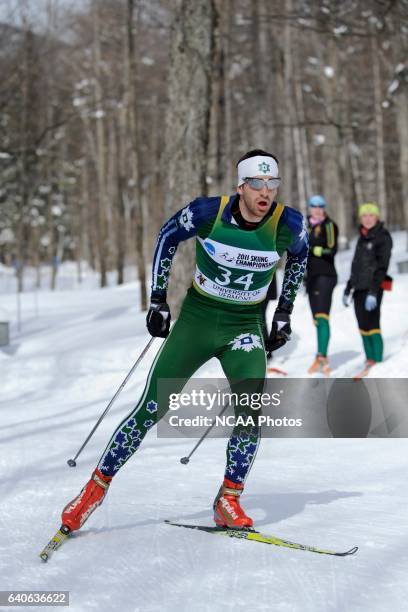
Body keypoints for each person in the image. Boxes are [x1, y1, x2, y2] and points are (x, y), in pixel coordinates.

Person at [60, 150, 308, 533]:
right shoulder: (209, 212)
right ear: (241, 185)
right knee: (150, 408)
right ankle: (93, 490)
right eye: (256, 184)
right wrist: (158, 298)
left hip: (244, 329)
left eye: (272, 183)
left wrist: (285, 312)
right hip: (198, 321)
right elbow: (167, 236)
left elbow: (300, 258)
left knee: (251, 412)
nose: (265, 192)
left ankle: (228, 499)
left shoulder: (289, 223)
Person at [343, 202, 392, 378]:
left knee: (372, 325)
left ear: (377, 217)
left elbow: (382, 267)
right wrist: (348, 288)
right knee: (362, 325)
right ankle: (369, 359)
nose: (368, 218)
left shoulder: (383, 236)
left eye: (371, 215)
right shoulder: (362, 238)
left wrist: (373, 291)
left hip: (374, 288)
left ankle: (377, 361)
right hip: (358, 289)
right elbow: (356, 266)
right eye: (364, 215)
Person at [305, 195, 338, 376]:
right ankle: (320, 355)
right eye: (314, 206)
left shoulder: (329, 225)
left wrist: (316, 250)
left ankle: (322, 356)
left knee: (322, 316)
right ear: (309, 207)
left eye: (320, 206)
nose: (317, 209)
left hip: (326, 275)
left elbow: (332, 249)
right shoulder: (306, 225)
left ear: (324, 208)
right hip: (311, 277)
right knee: (316, 319)